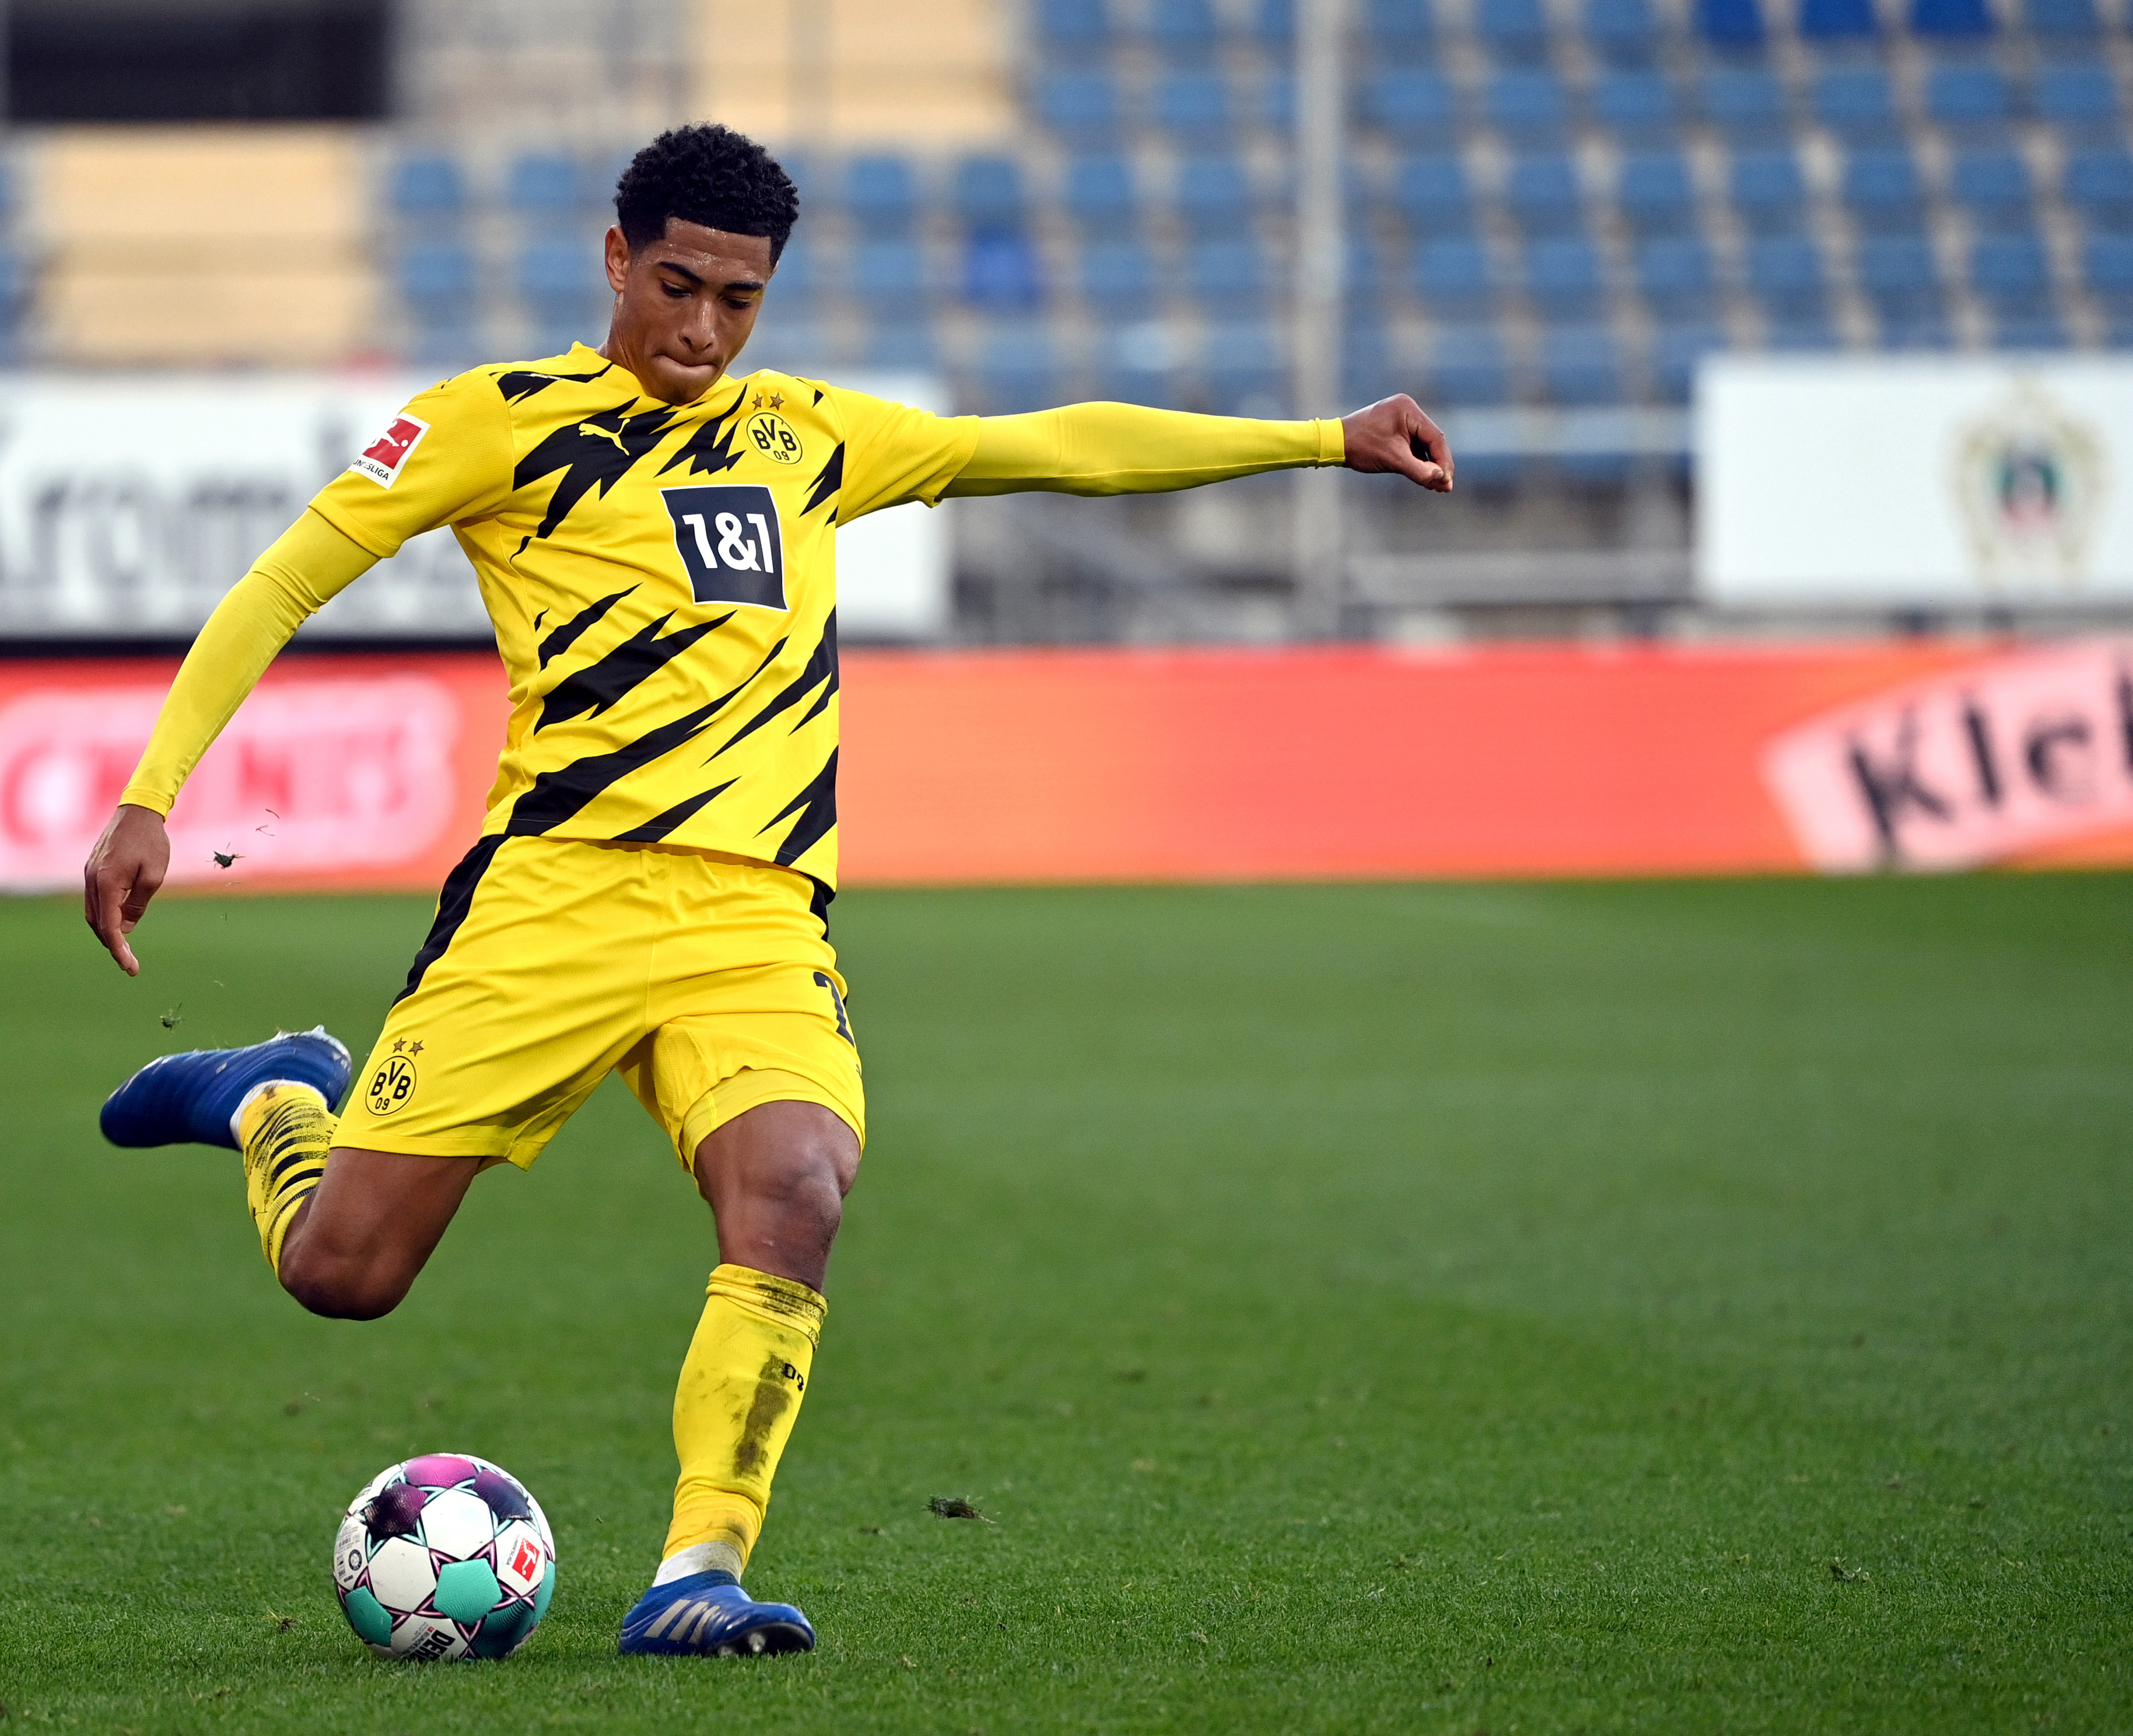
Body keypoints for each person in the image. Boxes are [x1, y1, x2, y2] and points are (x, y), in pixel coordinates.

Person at [82, 121, 1451, 1658]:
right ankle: (279, 1102)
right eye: (678, 286)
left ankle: (697, 1571)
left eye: (741, 301)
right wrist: (152, 797)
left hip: (756, 921)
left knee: (797, 1187)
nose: (704, 330)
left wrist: (1320, 439)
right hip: (554, 903)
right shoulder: (495, 424)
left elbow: (1049, 446)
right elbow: (281, 581)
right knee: (344, 1276)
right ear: (616, 259)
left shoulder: (807, 435)